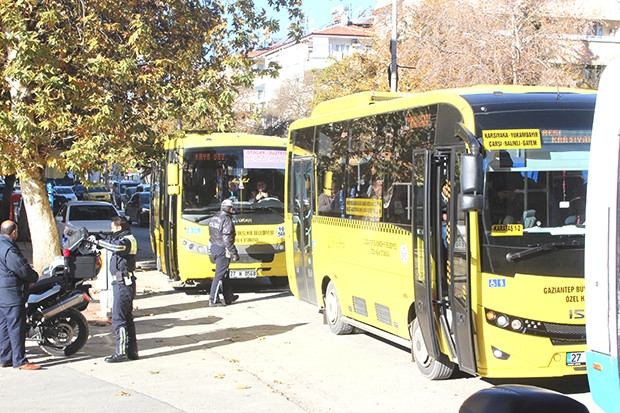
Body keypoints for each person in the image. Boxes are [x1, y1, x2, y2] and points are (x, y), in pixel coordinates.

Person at [92, 216, 139, 363]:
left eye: (112, 228)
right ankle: (132, 351)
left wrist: (99, 242)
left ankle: (122, 352)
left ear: (119, 228)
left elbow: (117, 247)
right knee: (127, 318)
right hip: (122, 283)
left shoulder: (127, 241)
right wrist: (99, 236)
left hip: (123, 284)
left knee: (119, 319)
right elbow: (112, 240)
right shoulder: (124, 237)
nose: (111, 231)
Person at [0, 220, 40, 370]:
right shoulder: (8, 249)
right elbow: (22, 269)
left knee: (4, 327)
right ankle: (20, 361)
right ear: (14, 232)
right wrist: (33, 277)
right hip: (11, 294)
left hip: (2, 293)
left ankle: (5, 358)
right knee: (16, 328)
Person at [208, 199, 240, 307]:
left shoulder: (215, 217)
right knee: (220, 275)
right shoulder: (227, 220)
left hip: (214, 246)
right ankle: (213, 299)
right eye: (232, 208)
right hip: (222, 249)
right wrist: (234, 253)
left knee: (225, 273)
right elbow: (227, 239)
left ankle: (228, 296)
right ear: (230, 209)